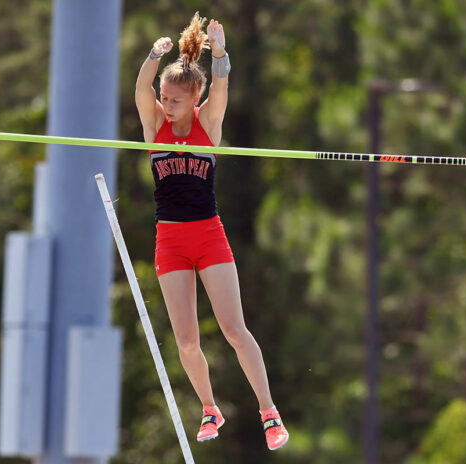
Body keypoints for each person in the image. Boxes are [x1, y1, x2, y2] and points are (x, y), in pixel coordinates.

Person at [134, 12, 289, 451]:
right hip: (171, 239)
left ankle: (268, 411)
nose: (167, 104)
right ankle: (209, 407)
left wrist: (219, 53)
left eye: (176, 100)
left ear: (194, 98)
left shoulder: (208, 125)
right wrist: (154, 55)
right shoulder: (154, 128)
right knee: (186, 340)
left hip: (208, 235)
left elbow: (222, 86)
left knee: (234, 329)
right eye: (164, 97)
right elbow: (140, 89)